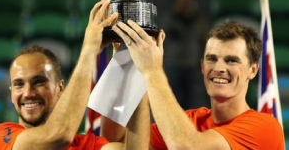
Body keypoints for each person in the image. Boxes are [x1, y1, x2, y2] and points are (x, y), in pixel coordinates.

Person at [0, 0, 150, 150]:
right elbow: (58, 136)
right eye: (19, 84)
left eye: (39, 82)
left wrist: (133, 66)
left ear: (60, 88)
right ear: (11, 93)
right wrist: (89, 50)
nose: (28, 93)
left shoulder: (86, 145)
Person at [112, 20, 285, 150]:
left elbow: (185, 146)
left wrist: (152, 71)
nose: (219, 68)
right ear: (202, 66)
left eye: (231, 61)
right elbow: (119, 141)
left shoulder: (265, 128)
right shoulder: (190, 121)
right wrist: (124, 66)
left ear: (253, 70)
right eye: (212, 59)